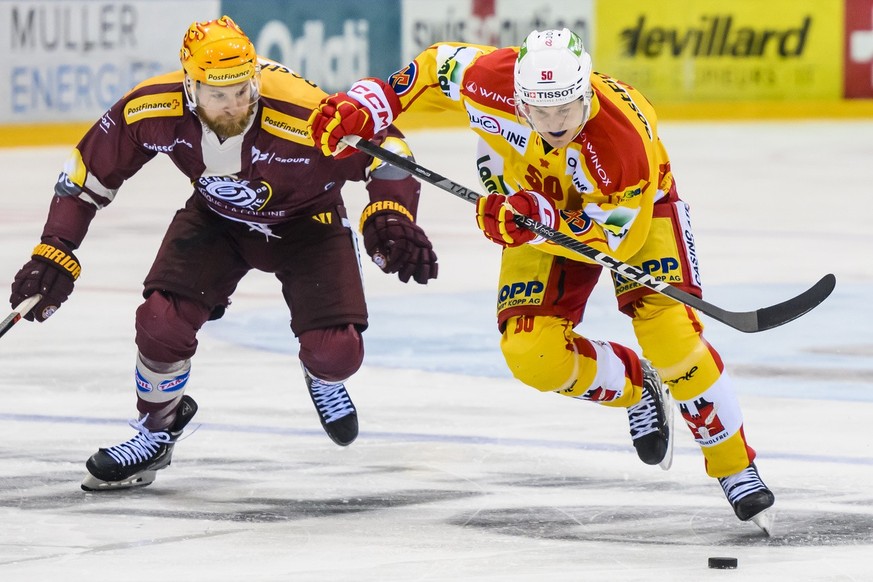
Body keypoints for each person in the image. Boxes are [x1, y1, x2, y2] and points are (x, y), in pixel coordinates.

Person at [308, 28, 774, 532]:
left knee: (671, 336)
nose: (555, 124)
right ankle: (638, 388)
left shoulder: (622, 143)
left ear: (585, 94)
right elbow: (433, 67)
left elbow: (619, 238)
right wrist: (367, 107)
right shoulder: (491, 81)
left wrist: (540, 219)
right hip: (529, 211)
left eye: (566, 110)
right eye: (541, 111)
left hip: (632, 214)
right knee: (531, 354)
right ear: (520, 96)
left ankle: (735, 468)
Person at [9, 15, 438, 491]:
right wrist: (55, 248)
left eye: (242, 89)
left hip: (310, 224)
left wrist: (392, 212)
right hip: (217, 218)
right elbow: (87, 173)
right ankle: (156, 430)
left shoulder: (302, 112)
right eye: (218, 93)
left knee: (336, 354)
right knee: (160, 321)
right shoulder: (153, 106)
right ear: (190, 87)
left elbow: (387, 146)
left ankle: (322, 376)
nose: (234, 104)